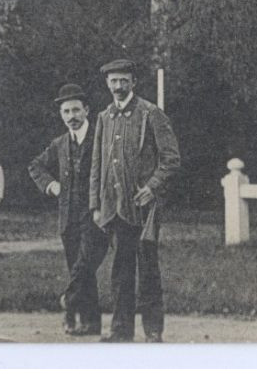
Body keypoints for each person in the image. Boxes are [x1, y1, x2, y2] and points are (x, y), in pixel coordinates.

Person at [89, 58, 181, 342]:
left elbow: (171, 159)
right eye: (113, 81)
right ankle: (120, 331)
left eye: (123, 81)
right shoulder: (105, 118)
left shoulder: (150, 114)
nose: (118, 86)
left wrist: (152, 187)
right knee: (120, 272)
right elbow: (97, 164)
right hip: (114, 207)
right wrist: (95, 204)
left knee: (148, 270)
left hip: (143, 209)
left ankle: (153, 331)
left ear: (133, 82)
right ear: (107, 83)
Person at [29, 82, 109, 336]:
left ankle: (69, 303)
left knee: (84, 265)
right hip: (68, 217)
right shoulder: (60, 144)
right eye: (66, 112)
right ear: (61, 115)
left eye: (76, 110)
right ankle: (90, 322)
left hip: (95, 214)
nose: (72, 117)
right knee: (80, 268)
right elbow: (35, 166)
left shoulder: (101, 138)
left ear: (86, 110)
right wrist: (51, 185)